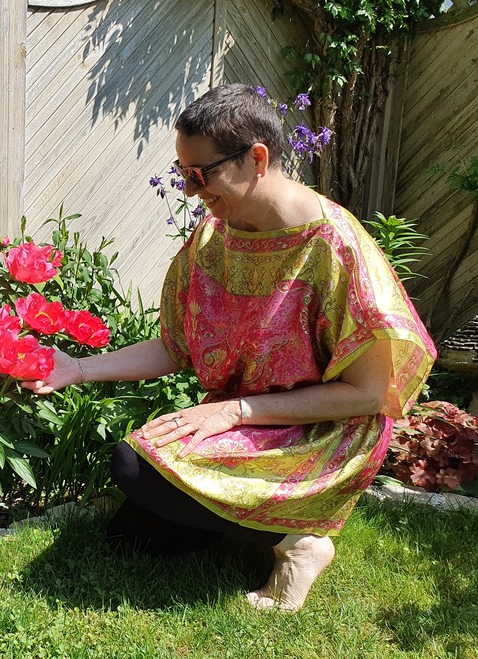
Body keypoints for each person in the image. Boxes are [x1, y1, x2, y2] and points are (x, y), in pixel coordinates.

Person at [23, 83, 435, 612]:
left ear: (257, 158)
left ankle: (302, 542)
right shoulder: (214, 237)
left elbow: (370, 394)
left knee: (131, 465)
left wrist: (237, 410)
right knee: (132, 544)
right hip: (243, 423)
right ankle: (253, 523)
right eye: (184, 176)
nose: (192, 192)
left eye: (202, 175)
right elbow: (176, 346)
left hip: (322, 434)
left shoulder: (337, 250)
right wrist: (76, 368)